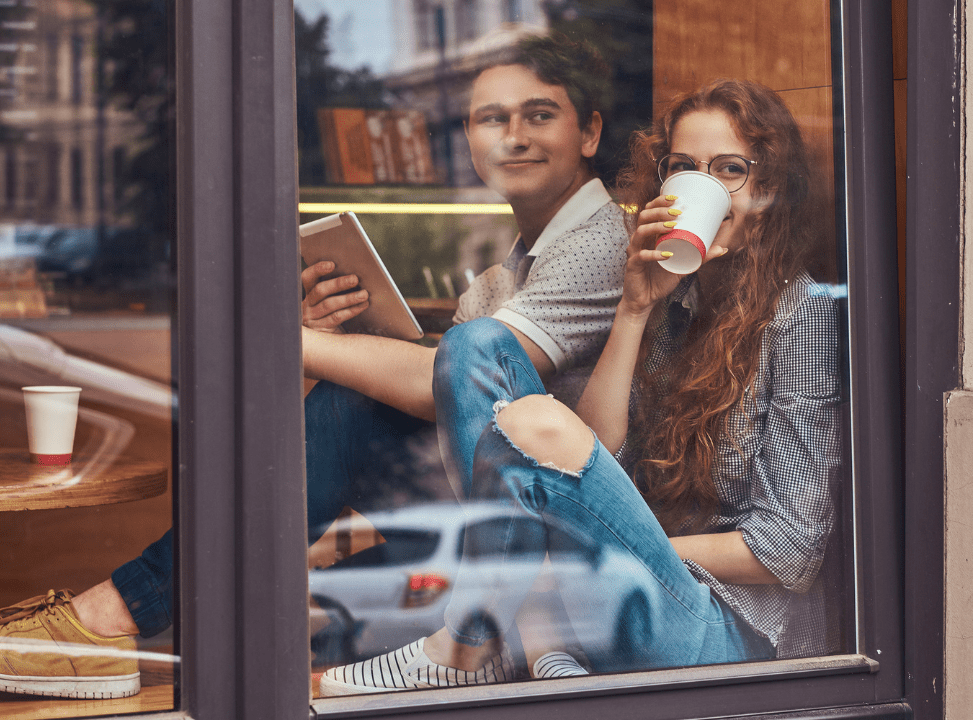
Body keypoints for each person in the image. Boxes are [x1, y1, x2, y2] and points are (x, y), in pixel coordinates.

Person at [0, 34, 629, 700]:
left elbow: (449, 382)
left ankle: (112, 617)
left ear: (589, 131)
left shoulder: (599, 245)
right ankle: (127, 622)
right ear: (469, 138)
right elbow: (456, 393)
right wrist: (330, 332)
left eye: (539, 114)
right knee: (321, 622)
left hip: (571, 549)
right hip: (506, 522)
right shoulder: (506, 273)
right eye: (491, 118)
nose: (514, 136)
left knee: (348, 409)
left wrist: (287, 340)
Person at [320, 77, 842, 695]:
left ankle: (484, 641)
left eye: (729, 169)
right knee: (475, 345)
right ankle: (522, 644)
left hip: (726, 629)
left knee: (535, 428)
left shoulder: (801, 313)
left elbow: (790, 549)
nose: (703, 186)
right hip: (620, 590)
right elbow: (599, 457)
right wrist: (635, 306)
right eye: (683, 168)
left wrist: (625, 549)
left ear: (768, 190)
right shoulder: (674, 305)